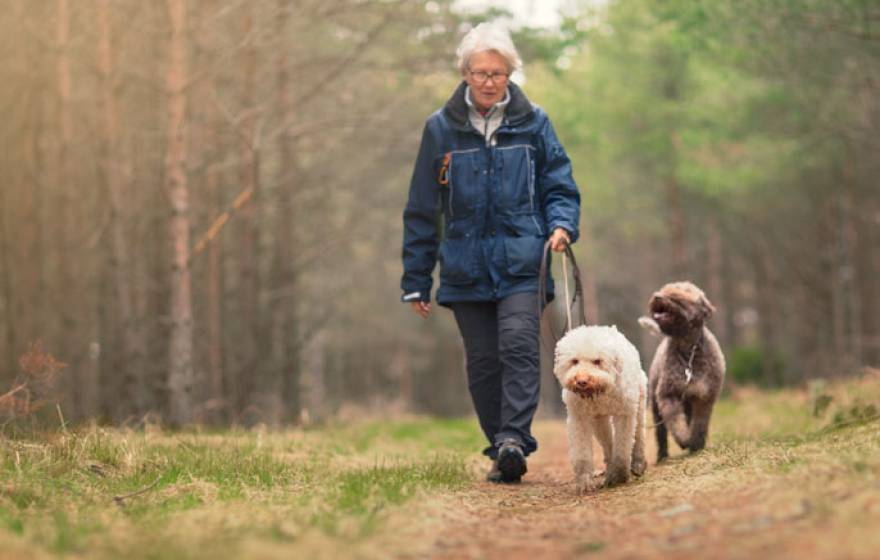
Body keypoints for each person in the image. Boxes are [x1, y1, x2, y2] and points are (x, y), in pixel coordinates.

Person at [400, 23, 580, 483]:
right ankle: (501, 445)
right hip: (464, 267)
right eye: (479, 72)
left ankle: (514, 439)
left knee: (519, 347)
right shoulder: (440, 130)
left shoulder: (534, 122)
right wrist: (417, 279)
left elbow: (559, 182)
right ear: (464, 74)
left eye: (497, 73)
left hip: (524, 261)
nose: (488, 81)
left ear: (510, 75)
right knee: (482, 360)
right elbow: (423, 209)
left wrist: (561, 224)